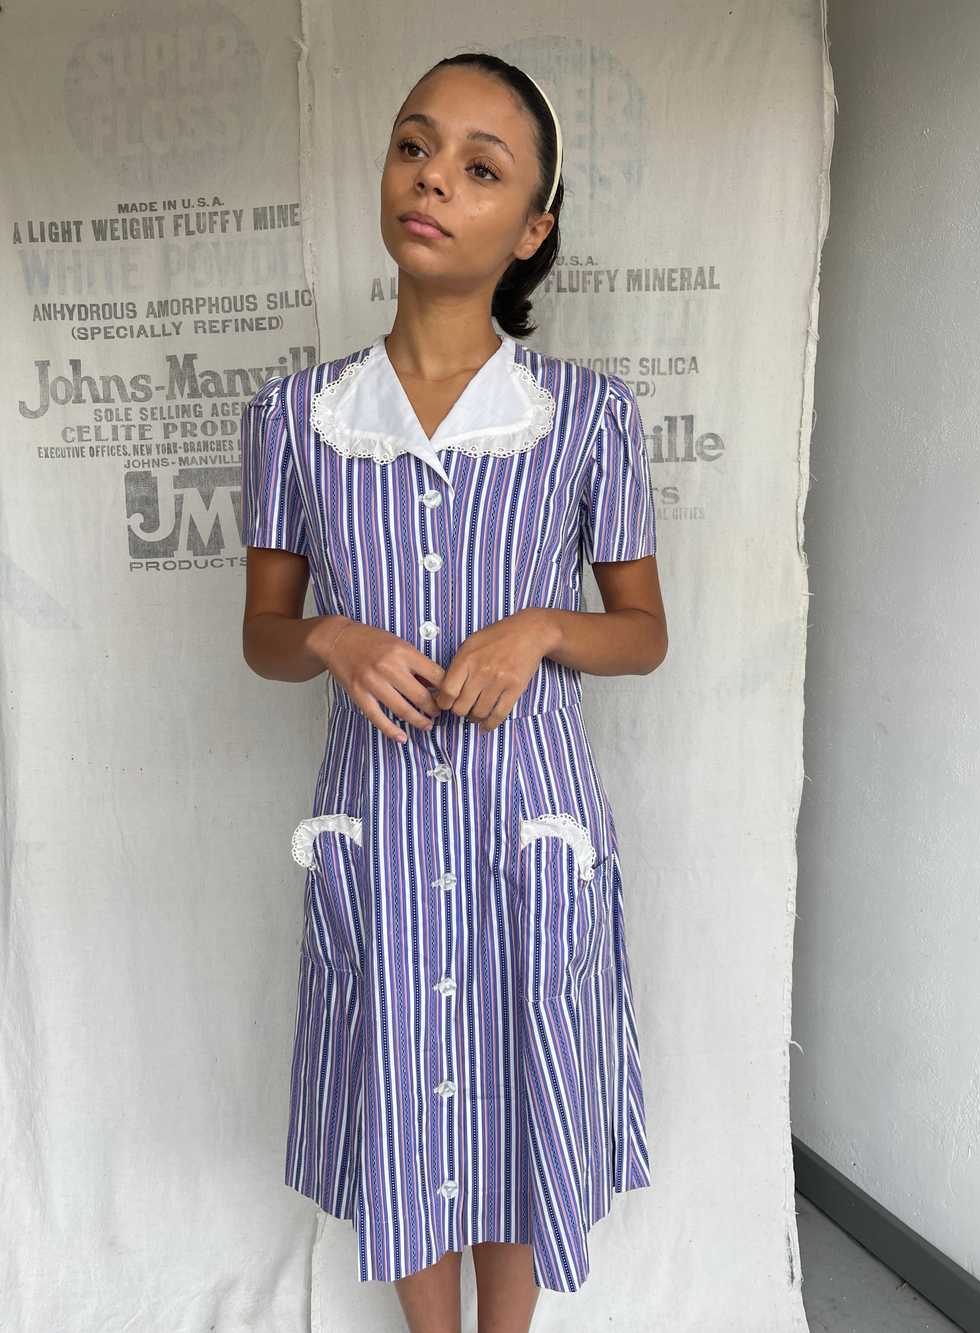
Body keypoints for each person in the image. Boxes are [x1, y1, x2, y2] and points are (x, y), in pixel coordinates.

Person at [240, 51, 668, 1333]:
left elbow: (642, 633)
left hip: (526, 828)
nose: (433, 176)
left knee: (521, 1082)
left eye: (480, 167)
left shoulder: (589, 418)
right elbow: (262, 635)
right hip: (376, 825)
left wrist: (541, 627)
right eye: (414, 145)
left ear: (530, 228)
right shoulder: (295, 417)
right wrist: (330, 638)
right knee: (404, 1087)